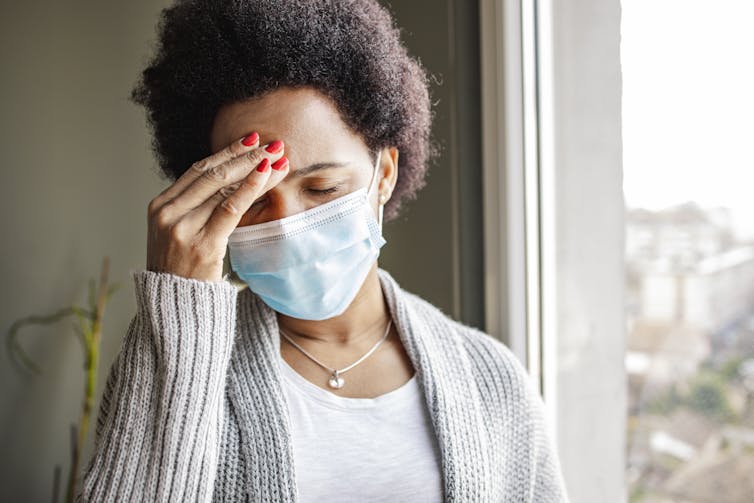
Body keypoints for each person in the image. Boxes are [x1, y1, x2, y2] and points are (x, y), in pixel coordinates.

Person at [77, 0, 570, 501]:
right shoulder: (172, 360)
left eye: (323, 188)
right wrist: (179, 304)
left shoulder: (491, 380)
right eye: (250, 197)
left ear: (383, 175)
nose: (288, 225)